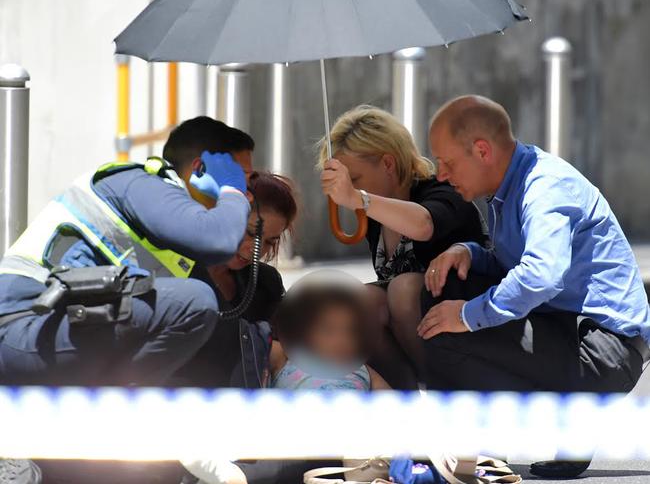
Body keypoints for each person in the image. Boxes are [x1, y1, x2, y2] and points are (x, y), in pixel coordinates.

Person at [418, 95, 650, 477]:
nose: (441, 174)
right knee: (446, 290)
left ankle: (492, 446)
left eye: (447, 162)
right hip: (571, 331)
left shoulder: (544, 188)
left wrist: (466, 315)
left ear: (482, 150)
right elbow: (516, 268)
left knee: (449, 328)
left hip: (602, 349)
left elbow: (541, 276)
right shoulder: (513, 183)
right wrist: (470, 253)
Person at [0, 115, 250, 387]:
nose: (248, 194)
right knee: (194, 302)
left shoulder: (172, 230)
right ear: (200, 170)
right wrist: (232, 190)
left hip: (50, 332)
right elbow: (219, 240)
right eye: (243, 178)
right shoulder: (141, 185)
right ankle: (117, 407)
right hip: (23, 326)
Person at [318, 105, 487, 388]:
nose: (349, 189)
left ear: (388, 164)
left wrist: (358, 198)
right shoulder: (374, 214)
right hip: (421, 332)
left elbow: (423, 224)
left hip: (471, 318)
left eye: (355, 178)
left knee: (403, 289)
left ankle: (443, 390)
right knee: (360, 301)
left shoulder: (443, 192)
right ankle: (399, 395)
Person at [181, 271, 390, 484]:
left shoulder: (361, 368)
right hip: (292, 434)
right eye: (328, 330)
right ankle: (230, 474)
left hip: (348, 440)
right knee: (287, 457)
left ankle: (230, 476)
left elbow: (392, 405)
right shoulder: (288, 357)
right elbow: (245, 343)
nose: (341, 340)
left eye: (351, 331)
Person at [176, 171, 299, 387]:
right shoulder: (178, 272)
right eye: (250, 233)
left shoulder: (265, 282)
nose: (256, 249)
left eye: (270, 242)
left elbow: (292, 344)